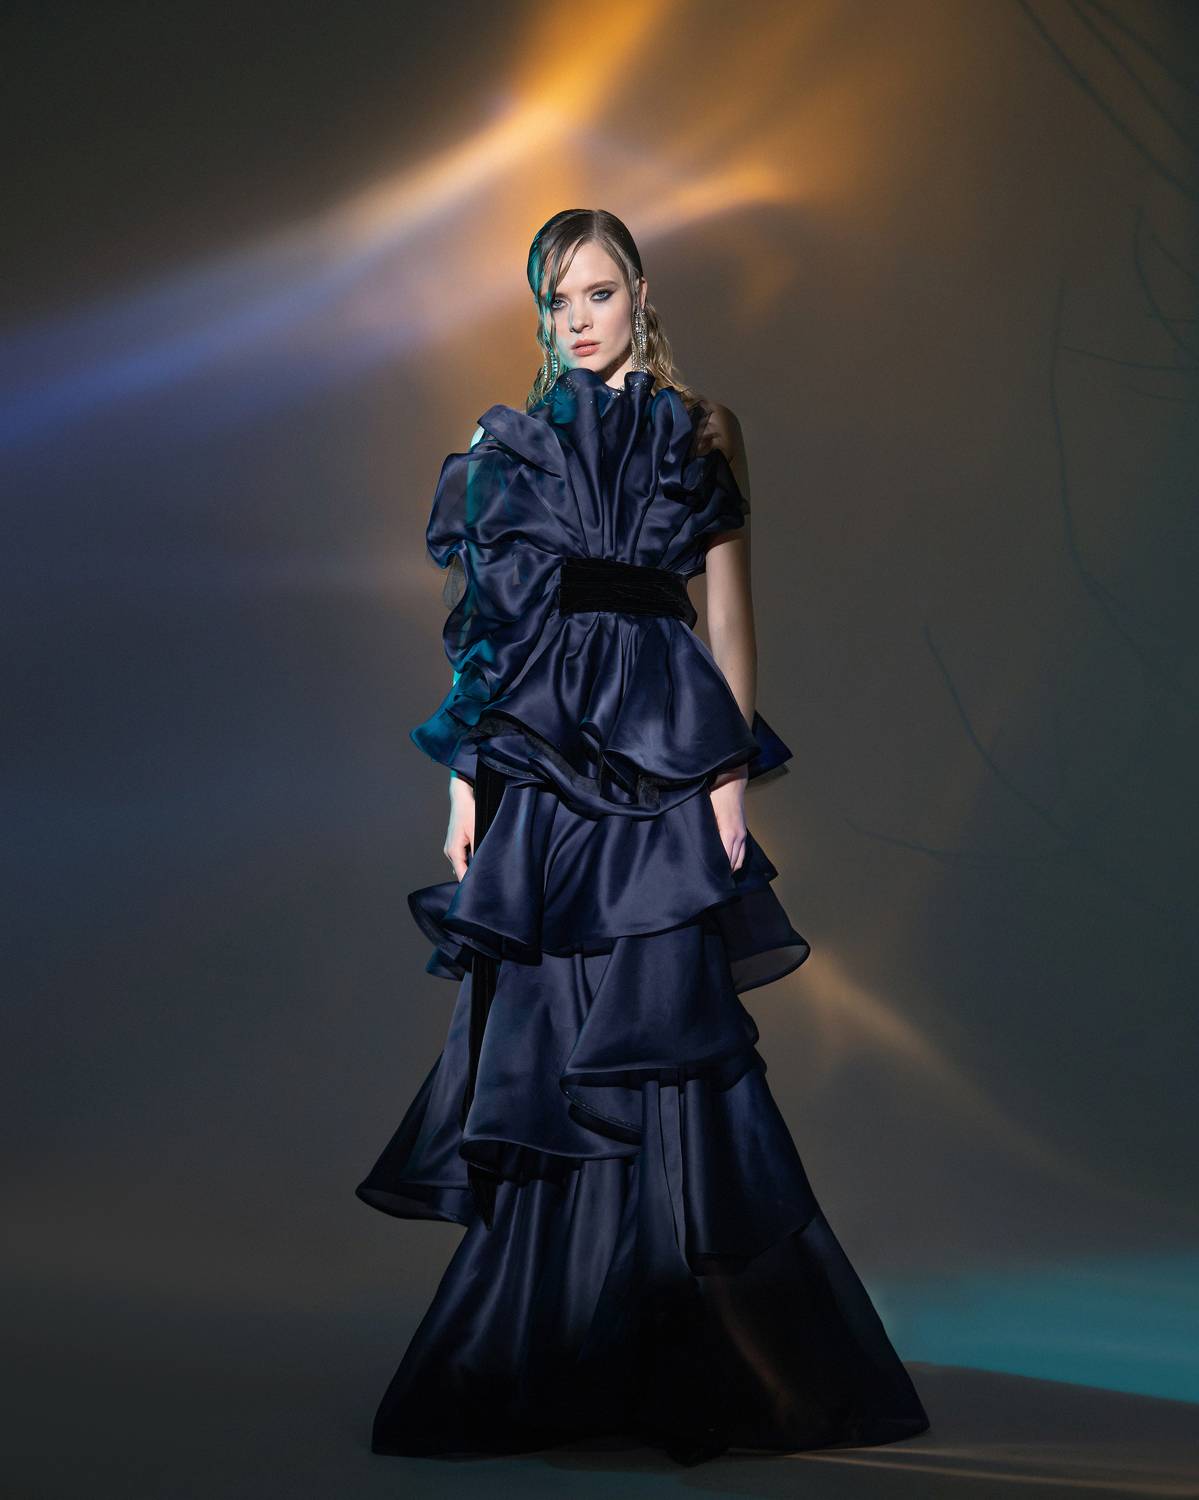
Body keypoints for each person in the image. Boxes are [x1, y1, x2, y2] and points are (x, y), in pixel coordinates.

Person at [355, 208, 931, 1466]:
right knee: (549, 1041)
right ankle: (551, 1345)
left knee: (668, 1037)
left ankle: (692, 1346)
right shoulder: (505, 444)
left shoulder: (701, 429)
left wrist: (727, 773)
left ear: (640, 293)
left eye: (598, 292)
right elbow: (485, 632)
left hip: (666, 755)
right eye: (555, 300)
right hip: (542, 764)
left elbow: (729, 621)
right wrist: (461, 787)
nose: (577, 319)